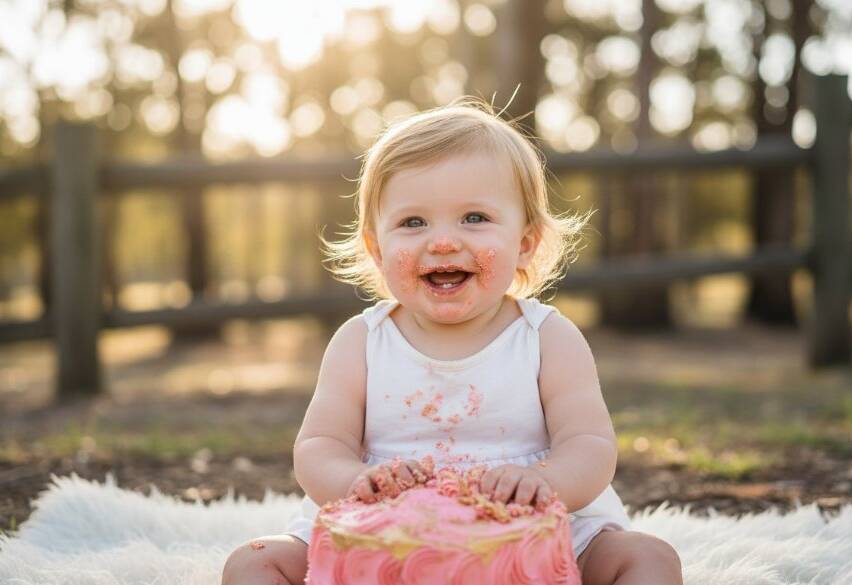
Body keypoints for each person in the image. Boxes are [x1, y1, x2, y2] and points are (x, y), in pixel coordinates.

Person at [222, 98, 683, 585]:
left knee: (649, 558)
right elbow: (319, 444)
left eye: (474, 218)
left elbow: (589, 443)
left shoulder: (545, 337)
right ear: (377, 249)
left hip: (538, 530)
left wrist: (547, 482)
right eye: (413, 222)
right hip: (383, 533)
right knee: (253, 563)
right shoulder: (362, 341)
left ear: (524, 242)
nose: (443, 242)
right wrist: (353, 482)